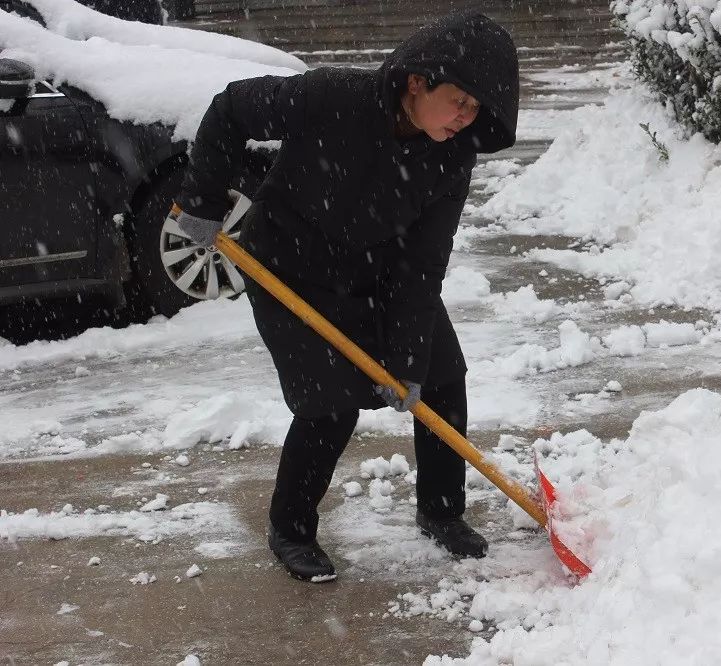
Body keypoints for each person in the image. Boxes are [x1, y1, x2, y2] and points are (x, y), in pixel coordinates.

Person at [173, 12, 519, 582]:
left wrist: (406, 362)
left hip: (380, 274)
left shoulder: (452, 157)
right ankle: (291, 528)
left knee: (441, 374)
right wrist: (204, 201)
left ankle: (441, 513)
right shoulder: (330, 97)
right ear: (416, 81)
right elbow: (232, 109)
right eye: (460, 100)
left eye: (477, 109)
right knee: (327, 403)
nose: (466, 117)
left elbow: (420, 263)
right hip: (289, 270)